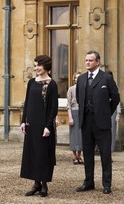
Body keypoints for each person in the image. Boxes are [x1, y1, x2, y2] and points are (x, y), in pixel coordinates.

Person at [75, 51, 120, 194]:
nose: (87, 62)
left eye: (90, 60)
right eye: (86, 60)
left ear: (97, 62)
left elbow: (115, 98)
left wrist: (106, 113)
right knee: (87, 154)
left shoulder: (106, 78)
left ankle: (107, 184)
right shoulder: (81, 79)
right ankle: (88, 182)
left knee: (105, 154)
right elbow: (78, 97)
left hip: (102, 123)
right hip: (86, 122)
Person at [20, 55, 59, 197]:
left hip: (44, 125)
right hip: (32, 125)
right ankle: (35, 184)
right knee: (33, 154)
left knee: (43, 155)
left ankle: (44, 185)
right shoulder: (31, 82)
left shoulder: (52, 84)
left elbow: (53, 107)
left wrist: (48, 126)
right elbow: (27, 103)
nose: (36, 68)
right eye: (35, 65)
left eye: (38, 65)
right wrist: (23, 121)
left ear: (46, 66)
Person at [67, 72, 83, 165]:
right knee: (74, 135)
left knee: (81, 135)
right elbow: (68, 104)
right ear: (74, 79)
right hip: (73, 112)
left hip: (82, 113)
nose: (78, 79)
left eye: (79, 77)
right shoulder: (71, 89)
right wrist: (70, 117)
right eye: (76, 78)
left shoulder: (84, 88)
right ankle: (74, 156)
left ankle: (79, 156)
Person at [107, 71, 121, 152]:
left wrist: (118, 114)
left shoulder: (114, 86)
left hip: (112, 111)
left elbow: (117, 101)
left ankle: (110, 150)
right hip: (103, 111)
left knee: (112, 132)